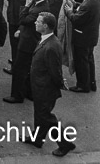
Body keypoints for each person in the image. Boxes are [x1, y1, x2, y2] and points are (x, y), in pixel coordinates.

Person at [28, 11, 76, 156]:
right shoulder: (46, 40)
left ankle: (65, 144)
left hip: (45, 89)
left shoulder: (51, 47)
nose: (35, 23)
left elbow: (55, 72)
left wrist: (60, 83)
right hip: (40, 86)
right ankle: (37, 139)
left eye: (38, 21)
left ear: (46, 26)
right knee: (40, 114)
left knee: (47, 118)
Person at [64, 0, 99, 93]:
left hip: (82, 37)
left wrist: (69, 10)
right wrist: (76, 4)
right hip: (91, 36)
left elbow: (76, 19)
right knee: (89, 59)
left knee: (81, 62)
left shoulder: (87, 4)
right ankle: (91, 82)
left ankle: (83, 85)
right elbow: (84, 9)